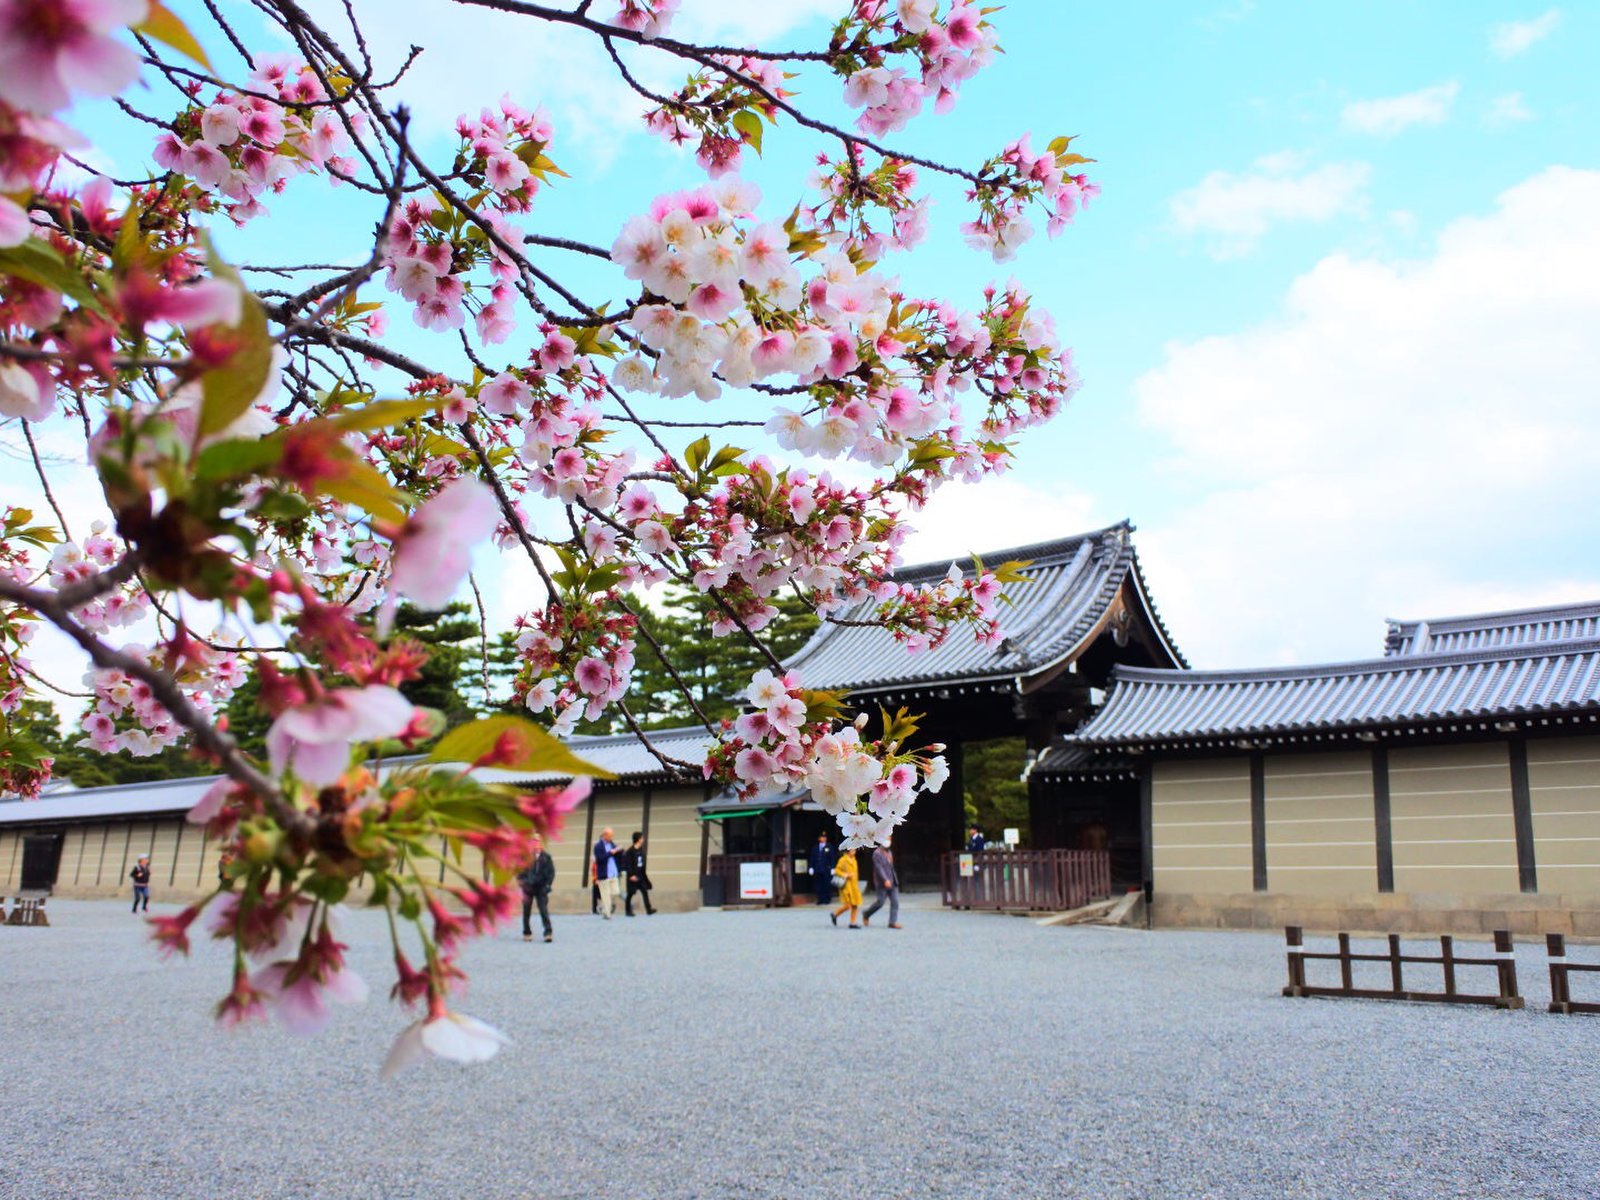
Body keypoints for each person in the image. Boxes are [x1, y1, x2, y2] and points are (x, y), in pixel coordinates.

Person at [518, 834, 556, 942]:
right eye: (534, 842)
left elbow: (551, 873)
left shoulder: (547, 858)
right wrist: (523, 883)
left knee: (543, 910)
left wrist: (548, 884)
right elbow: (520, 872)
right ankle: (527, 932)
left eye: (538, 841)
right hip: (528, 888)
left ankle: (548, 933)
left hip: (541, 888)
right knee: (526, 912)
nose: (536, 844)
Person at [862, 838, 901, 929]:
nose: (888, 840)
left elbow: (890, 867)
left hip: (892, 881)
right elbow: (879, 868)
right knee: (880, 902)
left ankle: (892, 922)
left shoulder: (889, 852)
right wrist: (885, 879)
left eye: (890, 838)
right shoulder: (877, 853)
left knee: (895, 902)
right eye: (886, 838)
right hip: (882, 882)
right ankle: (866, 914)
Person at [621, 831, 656, 916]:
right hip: (633, 876)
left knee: (644, 891)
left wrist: (645, 877)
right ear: (638, 839)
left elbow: (642, 864)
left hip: (640, 875)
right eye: (641, 838)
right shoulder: (630, 851)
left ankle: (649, 909)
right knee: (630, 894)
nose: (643, 839)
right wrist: (631, 875)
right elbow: (627, 864)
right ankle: (627, 910)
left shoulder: (640, 850)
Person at [829, 846, 862, 929]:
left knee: (855, 904)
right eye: (853, 849)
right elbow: (837, 870)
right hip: (846, 885)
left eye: (855, 849)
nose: (854, 851)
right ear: (848, 851)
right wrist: (846, 875)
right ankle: (835, 914)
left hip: (854, 885)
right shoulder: (843, 860)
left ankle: (852, 923)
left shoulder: (854, 860)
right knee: (848, 905)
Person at [592, 827, 621, 919]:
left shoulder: (612, 844)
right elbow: (600, 860)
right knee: (605, 896)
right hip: (604, 874)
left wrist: (618, 851)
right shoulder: (598, 846)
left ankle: (604, 908)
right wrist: (610, 853)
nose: (612, 837)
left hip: (613, 873)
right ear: (605, 835)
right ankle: (607, 914)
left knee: (616, 892)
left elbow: (615, 855)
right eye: (610, 835)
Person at [808, 832, 836, 907]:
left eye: (824, 837)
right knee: (818, 885)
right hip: (817, 869)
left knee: (827, 885)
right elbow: (812, 858)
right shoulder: (815, 847)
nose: (823, 838)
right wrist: (811, 867)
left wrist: (833, 868)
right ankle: (820, 899)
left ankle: (827, 899)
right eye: (822, 837)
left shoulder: (829, 847)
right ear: (819, 838)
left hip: (826, 869)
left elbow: (832, 858)